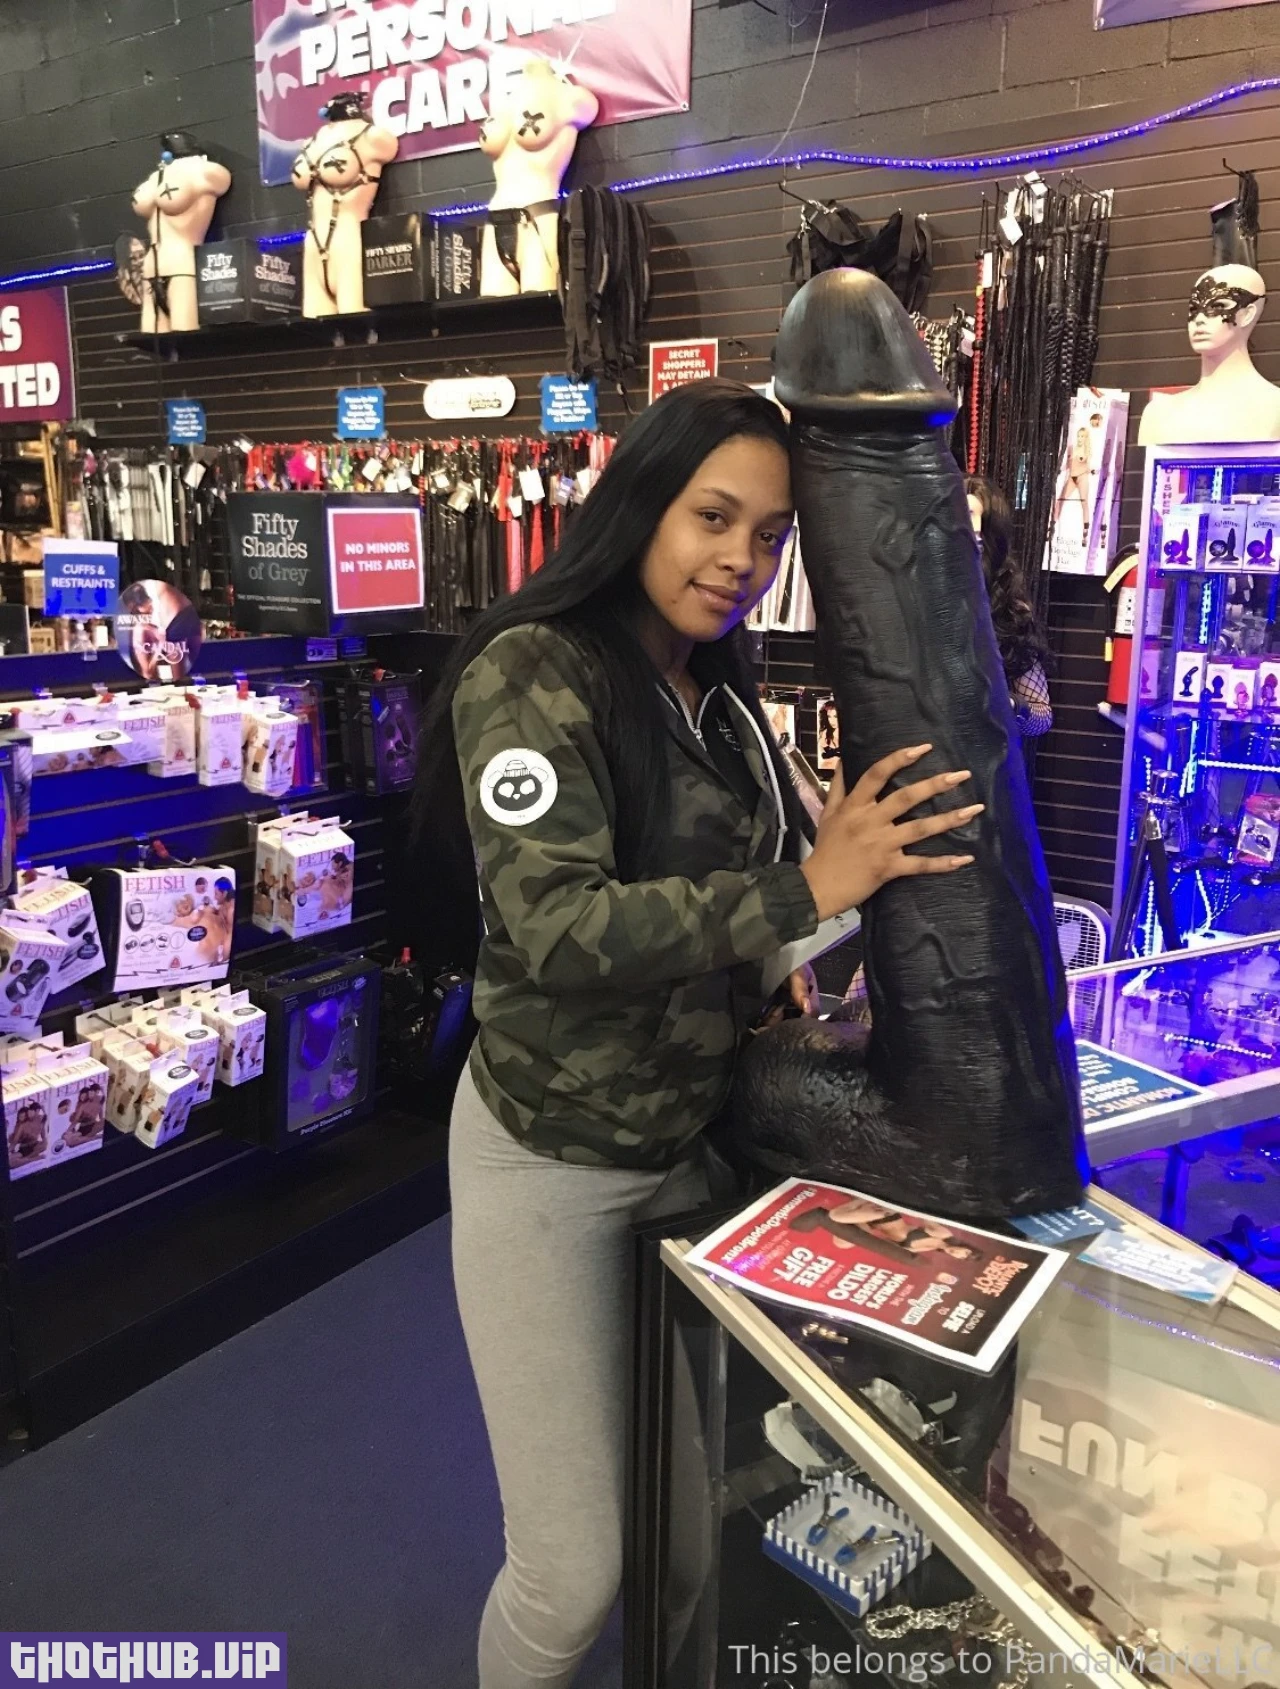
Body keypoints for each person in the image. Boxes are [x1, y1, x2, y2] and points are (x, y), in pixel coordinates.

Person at [411, 378, 979, 1689]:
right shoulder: (534, 669)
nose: (741, 560)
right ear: (642, 505)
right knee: (570, 1574)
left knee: (688, 1531)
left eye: (770, 535)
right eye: (713, 517)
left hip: (689, 1153)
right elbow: (557, 927)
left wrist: (784, 965)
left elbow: (735, 889)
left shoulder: (714, 690)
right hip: (550, 1160)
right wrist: (805, 891)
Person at [965, 476, 1053, 739]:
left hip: (981, 752)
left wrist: (1009, 704)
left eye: (974, 539)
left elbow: (1042, 716)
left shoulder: (1007, 610)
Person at [790, 1202, 981, 1262]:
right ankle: (860, 1200)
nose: (957, 1254)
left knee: (842, 1243)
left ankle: (843, 1211)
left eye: (961, 1257)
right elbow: (924, 1213)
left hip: (871, 1225)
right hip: (886, 1216)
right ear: (964, 1246)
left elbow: (885, 1243)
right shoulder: (942, 1234)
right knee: (835, 1216)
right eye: (964, 1251)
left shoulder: (926, 1250)